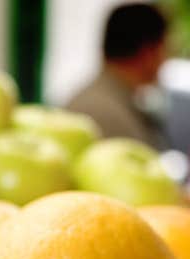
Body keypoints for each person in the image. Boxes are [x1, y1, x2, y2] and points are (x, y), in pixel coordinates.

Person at [65, 2, 170, 149]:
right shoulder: (104, 114)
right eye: (167, 48)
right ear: (149, 52)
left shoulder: (106, 101)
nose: (167, 59)